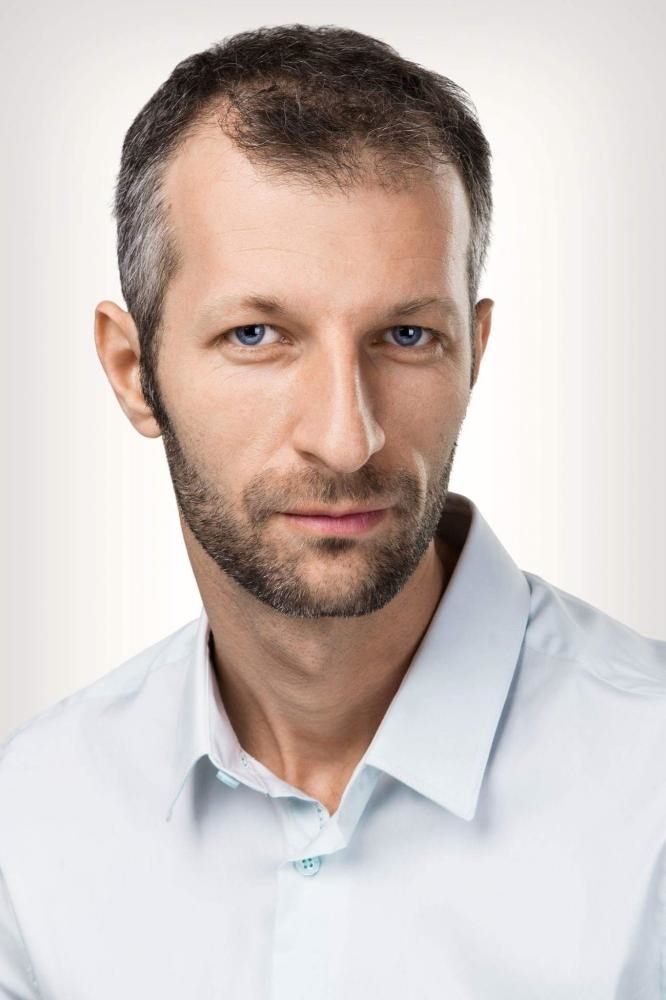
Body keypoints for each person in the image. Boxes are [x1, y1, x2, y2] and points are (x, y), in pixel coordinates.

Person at [0, 22, 664, 999]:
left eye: (406, 335)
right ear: (133, 370)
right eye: (257, 334)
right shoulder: (31, 824)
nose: (347, 439)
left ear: (474, 354)